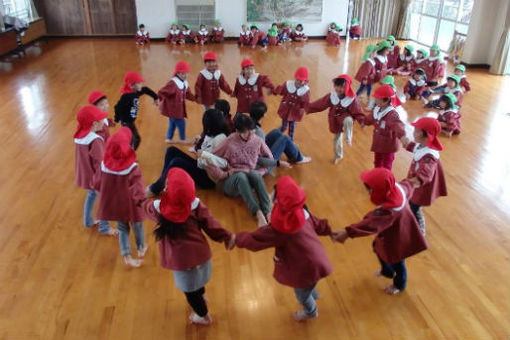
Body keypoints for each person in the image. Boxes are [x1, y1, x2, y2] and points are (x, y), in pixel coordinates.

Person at [234, 176, 334, 321]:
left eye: (273, 192)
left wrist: (236, 239)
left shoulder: (280, 230)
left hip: (305, 269)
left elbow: (255, 240)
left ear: (276, 200)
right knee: (310, 284)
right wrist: (331, 231)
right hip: (318, 261)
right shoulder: (301, 212)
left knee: (301, 295)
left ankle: (310, 312)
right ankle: (311, 292)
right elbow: (319, 225)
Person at [143, 168, 234, 325]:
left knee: (190, 291)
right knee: (199, 280)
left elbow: (144, 206)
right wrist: (226, 236)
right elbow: (212, 225)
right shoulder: (196, 205)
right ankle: (201, 296)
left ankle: (203, 316)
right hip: (201, 256)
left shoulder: (158, 208)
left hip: (181, 263)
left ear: (166, 189)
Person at [332, 168, 428, 295]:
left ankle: (399, 284)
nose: (369, 193)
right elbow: (410, 185)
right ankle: (387, 271)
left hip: (399, 238)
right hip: (390, 232)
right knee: (377, 247)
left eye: (371, 190)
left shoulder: (389, 211)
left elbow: (370, 224)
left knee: (397, 261)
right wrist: (417, 180)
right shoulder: (397, 188)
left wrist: (347, 232)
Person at [96, 127, 148, 267]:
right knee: (137, 225)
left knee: (122, 228)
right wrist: (142, 201)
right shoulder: (133, 167)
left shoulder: (104, 165)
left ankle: (127, 255)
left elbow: (97, 182)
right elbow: (139, 189)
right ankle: (141, 247)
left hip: (116, 205)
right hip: (132, 205)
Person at [209, 114, 273, 226]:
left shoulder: (257, 140)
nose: (250, 136)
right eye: (246, 133)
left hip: (249, 179)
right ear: (238, 131)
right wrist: (223, 174)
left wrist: (261, 172)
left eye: (252, 132)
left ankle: (268, 212)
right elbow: (210, 159)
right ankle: (258, 213)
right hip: (231, 183)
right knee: (241, 176)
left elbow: (270, 159)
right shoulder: (229, 141)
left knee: (255, 174)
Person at [146, 109, 229, 196]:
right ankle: (162, 181)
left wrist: (203, 154)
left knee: (176, 162)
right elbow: (203, 150)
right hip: (201, 166)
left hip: (208, 178)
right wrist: (199, 142)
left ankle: (156, 188)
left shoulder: (220, 139)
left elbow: (222, 163)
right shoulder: (211, 133)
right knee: (171, 150)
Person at [74, 105, 116, 236]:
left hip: (85, 177)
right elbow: (100, 163)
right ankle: (104, 227)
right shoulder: (96, 140)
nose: (103, 123)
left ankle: (88, 221)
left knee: (91, 195)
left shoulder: (79, 137)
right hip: (97, 178)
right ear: (94, 123)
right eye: (100, 120)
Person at [400, 117, 447, 235]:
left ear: (427, 135)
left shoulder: (429, 156)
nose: (413, 133)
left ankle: (420, 231)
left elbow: (424, 175)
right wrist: (403, 139)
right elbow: (413, 147)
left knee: (414, 206)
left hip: (421, 188)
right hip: (415, 186)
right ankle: (413, 225)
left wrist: (407, 185)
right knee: (412, 205)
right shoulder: (422, 145)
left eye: (416, 131)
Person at [307, 75, 365, 163]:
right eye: (337, 86)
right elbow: (320, 104)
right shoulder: (332, 96)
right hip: (334, 120)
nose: (339, 89)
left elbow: (358, 112)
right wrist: (308, 107)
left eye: (342, 87)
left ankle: (348, 137)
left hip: (345, 117)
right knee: (337, 138)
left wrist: (362, 121)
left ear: (347, 87)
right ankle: (338, 155)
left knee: (348, 120)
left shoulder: (351, 99)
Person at [249, 101, 311, 171]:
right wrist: (278, 163)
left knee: (276, 132)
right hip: (262, 166)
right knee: (285, 138)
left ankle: (293, 154)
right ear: (263, 115)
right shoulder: (259, 133)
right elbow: (258, 158)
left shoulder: (248, 124)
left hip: (256, 157)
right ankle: (299, 158)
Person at [363, 85, 405, 170]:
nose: (375, 99)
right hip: (379, 143)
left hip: (388, 146)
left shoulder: (392, 114)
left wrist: (403, 136)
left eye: (377, 98)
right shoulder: (377, 109)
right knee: (377, 161)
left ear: (386, 101)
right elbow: (370, 118)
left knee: (387, 165)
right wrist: (364, 122)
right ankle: (377, 175)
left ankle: (385, 179)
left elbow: (398, 125)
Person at [114, 71, 158, 150]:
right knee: (133, 140)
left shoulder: (136, 91)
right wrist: (116, 119)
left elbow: (146, 89)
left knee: (136, 139)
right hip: (126, 122)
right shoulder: (126, 97)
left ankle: (130, 155)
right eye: (139, 83)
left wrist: (155, 97)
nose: (141, 84)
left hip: (131, 121)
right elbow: (117, 107)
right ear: (131, 85)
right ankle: (128, 157)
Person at [158, 61, 196, 144]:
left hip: (177, 109)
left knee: (172, 123)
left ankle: (168, 138)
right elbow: (161, 92)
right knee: (182, 123)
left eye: (186, 73)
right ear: (177, 73)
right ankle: (183, 139)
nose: (185, 75)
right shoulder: (173, 84)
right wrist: (158, 100)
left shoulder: (184, 82)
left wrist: (195, 98)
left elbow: (188, 94)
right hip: (174, 110)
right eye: (183, 74)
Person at [273, 67, 310, 140]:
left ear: (305, 81)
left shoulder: (305, 91)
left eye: (301, 81)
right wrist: (274, 91)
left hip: (295, 113)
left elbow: (306, 103)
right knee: (283, 126)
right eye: (297, 80)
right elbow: (280, 89)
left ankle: (290, 140)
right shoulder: (288, 84)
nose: (298, 82)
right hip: (286, 110)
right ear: (295, 78)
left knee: (292, 128)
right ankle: (276, 135)